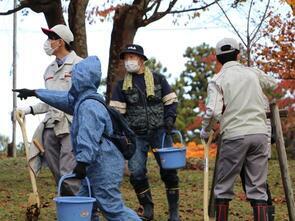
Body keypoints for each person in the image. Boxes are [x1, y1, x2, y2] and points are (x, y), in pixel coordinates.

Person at [13, 56, 141, 221]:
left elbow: (89, 136)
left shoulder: (89, 106)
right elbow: (62, 99)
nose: (72, 79)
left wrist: (82, 162)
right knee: (85, 208)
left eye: (75, 76)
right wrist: (35, 93)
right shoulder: (83, 100)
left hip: (104, 164)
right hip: (96, 164)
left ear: (82, 78)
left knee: (112, 209)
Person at [200, 38, 277, 221]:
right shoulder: (252, 73)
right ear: (238, 55)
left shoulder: (218, 80)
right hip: (259, 134)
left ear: (218, 59)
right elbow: (273, 84)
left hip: (235, 135)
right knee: (258, 190)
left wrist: (205, 131)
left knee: (223, 187)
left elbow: (212, 111)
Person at [109, 44, 180, 221]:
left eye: (132, 57)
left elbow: (171, 102)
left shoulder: (158, 79)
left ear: (141, 59)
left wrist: (170, 119)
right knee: (137, 172)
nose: (128, 61)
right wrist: (122, 135)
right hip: (136, 135)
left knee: (169, 171)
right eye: (126, 58)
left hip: (160, 132)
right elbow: (116, 115)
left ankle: (174, 212)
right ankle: (147, 208)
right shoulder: (121, 86)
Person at [16, 24, 82, 195]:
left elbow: (77, 99)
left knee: (69, 169)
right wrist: (28, 109)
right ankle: (66, 203)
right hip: (51, 125)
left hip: (71, 124)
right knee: (56, 170)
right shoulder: (48, 70)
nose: (47, 42)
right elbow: (49, 101)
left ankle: (82, 206)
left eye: (50, 38)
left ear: (60, 42)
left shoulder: (80, 65)